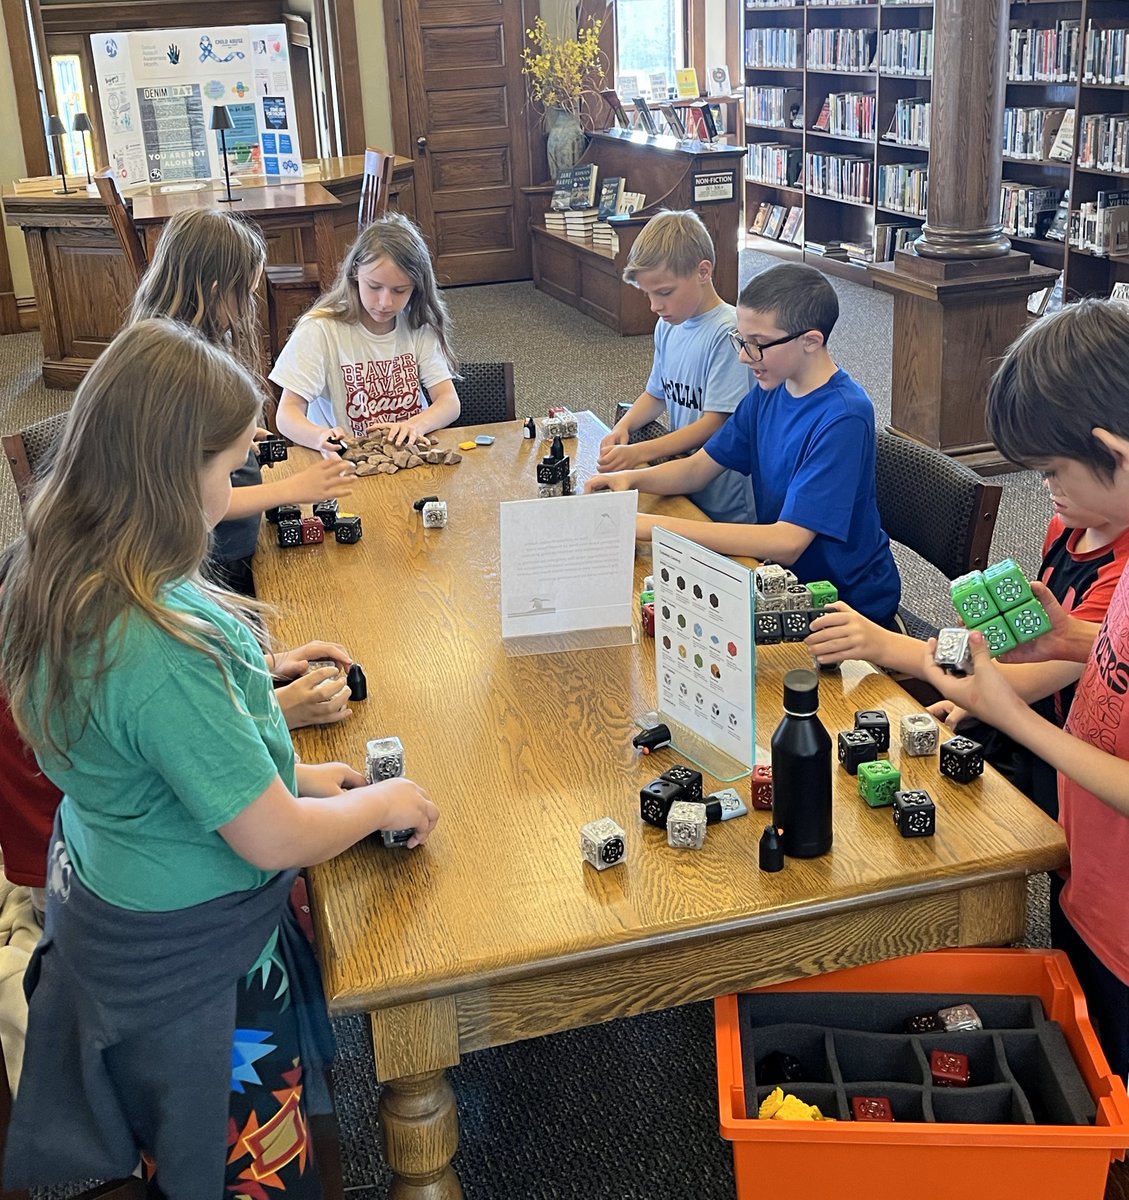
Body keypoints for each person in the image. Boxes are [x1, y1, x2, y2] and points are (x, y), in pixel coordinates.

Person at [0, 319, 439, 1195]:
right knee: (248, 1162)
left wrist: (298, 771)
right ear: (171, 474)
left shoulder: (57, 565)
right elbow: (272, 840)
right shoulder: (158, 649)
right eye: (231, 464)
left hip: (111, 899)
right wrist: (380, 806)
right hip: (194, 966)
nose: (241, 481)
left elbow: (149, 763)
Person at [916, 298, 1129, 1082]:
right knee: (1088, 1054)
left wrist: (1014, 716)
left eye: (1052, 470)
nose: (1046, 488)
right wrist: (1075, 639)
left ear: (1110, 449)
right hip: (1095, 876)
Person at [130, 208, 357, 729]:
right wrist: (294, 488)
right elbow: (190, 727)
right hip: (216, 563)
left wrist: (264, 665)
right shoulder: (151, 618)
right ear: (214, 290)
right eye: (247, 293)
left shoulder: (167, 354)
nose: (251, 305)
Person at [587, 262, 900, 627]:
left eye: (758, 345)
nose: (743, 356)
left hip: (846, 601)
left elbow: (788, 541)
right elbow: (697, 469)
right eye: (742, 340)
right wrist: (632, 479)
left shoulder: (843, 416)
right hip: (785, 581)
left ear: (811, 341)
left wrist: (650, 526)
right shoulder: (771, 388)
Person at [806, 487, 1129, 819]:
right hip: (1039, 730)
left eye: (1059, 469)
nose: (1049, 484)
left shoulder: (1117, 578)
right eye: (1045, 472)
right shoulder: (1067, 523)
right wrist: (969, 694)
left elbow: (1020, 682)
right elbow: (1009, 641)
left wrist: (885, 645)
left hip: (1073, 762)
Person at [596, 210, 755, 524]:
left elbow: (715, 424)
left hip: (724, 502)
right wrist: (623, 427)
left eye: (665, 293)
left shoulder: (729, 334)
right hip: (683, 483)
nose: (655, 305)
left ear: (702, 272)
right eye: (649, 294)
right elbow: (656, 394)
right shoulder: (667, 325)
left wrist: (640, 454)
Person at [271, 212, 461, 451]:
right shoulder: (320, 330)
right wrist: (319, 437)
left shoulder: (417, 323)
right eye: (374, 286)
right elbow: (287, 414)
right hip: (348, 458)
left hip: (409, 452)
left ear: (417, 288)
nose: (385, 302)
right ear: (355, 274)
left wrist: (415, 425)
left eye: (399, 290)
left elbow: (449, 401)